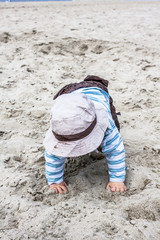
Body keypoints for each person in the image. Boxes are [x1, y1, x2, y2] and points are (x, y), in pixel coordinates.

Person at [43, 75, 126, 194]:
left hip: (99, 93)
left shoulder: (107, 126)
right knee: (58, 149)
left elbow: (116, 151)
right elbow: (53, 155)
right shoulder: (60, 123)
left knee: (111, 140)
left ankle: (96, 148)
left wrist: (117, 179)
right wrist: (55, 181)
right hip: (69, 95)